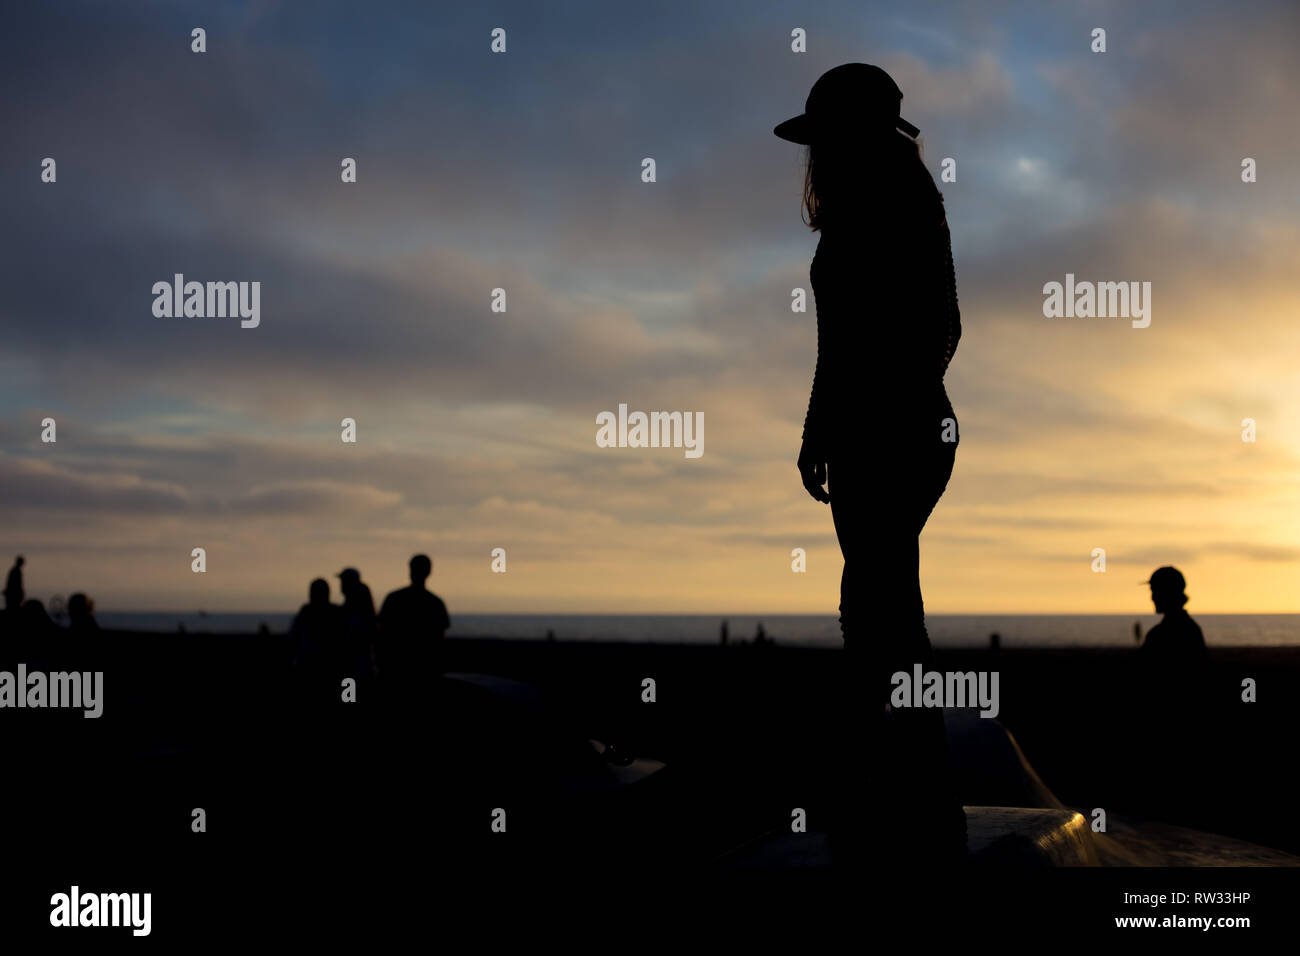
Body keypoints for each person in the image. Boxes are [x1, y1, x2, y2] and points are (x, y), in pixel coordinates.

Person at [776, 63, 965, 862]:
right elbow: (836, 342)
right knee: (881, 609)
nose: (817, 157)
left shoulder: (903, 206)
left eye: (827, 138)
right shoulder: (855, 216)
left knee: (878, 608)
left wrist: (874, 413)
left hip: (901, 433)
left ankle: (902, 789)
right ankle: (907, 785)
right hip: (868, 433)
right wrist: (821, 425)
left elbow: (941, 328)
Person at [377, 555, 450, 691]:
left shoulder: (394, 599)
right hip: (426, 672)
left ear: (410, 570)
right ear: (429, 572)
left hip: (396, 670)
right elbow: (439, 641)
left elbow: (382, 635)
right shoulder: (435, 603)